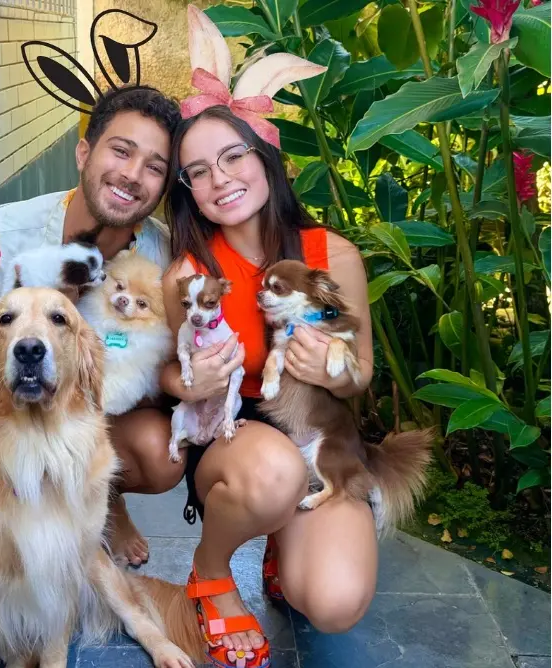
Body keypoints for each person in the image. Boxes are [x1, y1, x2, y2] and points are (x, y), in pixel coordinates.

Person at [0, 85, 185, 566]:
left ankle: (103, 498)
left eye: (154, 167)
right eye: (121, 151)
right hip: (4, 410)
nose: (133, 175)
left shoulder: (166, 259)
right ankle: (0, 523)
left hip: (96, 413)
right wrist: (28, 335)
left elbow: (166, 379)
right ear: (83, 153)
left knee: (160, 454)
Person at [159, 105, 377, 666]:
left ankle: (284, 542)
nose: (220, 179)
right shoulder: (189, 275)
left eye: (233, 157)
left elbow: (361, 375)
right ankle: (210, 574)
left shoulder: (333, 255)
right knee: (274, 472)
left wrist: (331, 368)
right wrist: (192, 385)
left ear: (266, 160)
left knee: (334, 603)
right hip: (237, 432)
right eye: (199, 171)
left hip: (315, 427)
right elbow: (165, 372)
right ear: (188, 190)